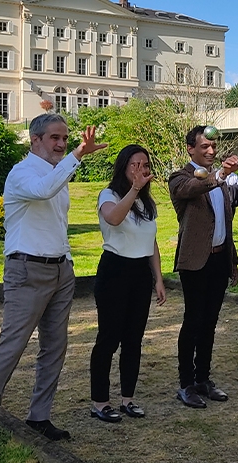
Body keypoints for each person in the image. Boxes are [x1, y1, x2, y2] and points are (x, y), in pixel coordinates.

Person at [0, 114, 107, 460]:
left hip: (60, 270)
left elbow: (57, 222)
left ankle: (39, 416)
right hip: (27, 270)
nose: (61, 144)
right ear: (35, 140)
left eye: (65, 138)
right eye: (54, 138)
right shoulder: (22, 173)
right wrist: (78, 154)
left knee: (54, 348)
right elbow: (43, 191)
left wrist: (67, 261)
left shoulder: (58, 174)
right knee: (11, 348)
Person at [88, 144, 166, 423]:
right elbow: (113, 218)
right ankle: (100, 401)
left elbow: (151, 242)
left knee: (133, 339)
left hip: (140, 273)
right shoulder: (109, 195)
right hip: (115, 270)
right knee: (109, 339)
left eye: (145, 165)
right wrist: (133, 190)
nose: (141, 170)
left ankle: (128, 399)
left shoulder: (146, 202)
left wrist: (158, 278)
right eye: (135, 164)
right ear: (123, 167)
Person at [168, 125, 238, 408]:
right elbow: (192, 189)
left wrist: (231, 261)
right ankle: (185, 383)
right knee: (193, 322)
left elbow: (225, 223)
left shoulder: (219, 182)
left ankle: (203, 379)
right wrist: (221, 174)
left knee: (210, 323)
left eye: (213, 147)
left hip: (219, 259)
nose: (211, 151)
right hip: (195, 262)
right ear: (190, 149)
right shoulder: (180, 177)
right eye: (204, 147)